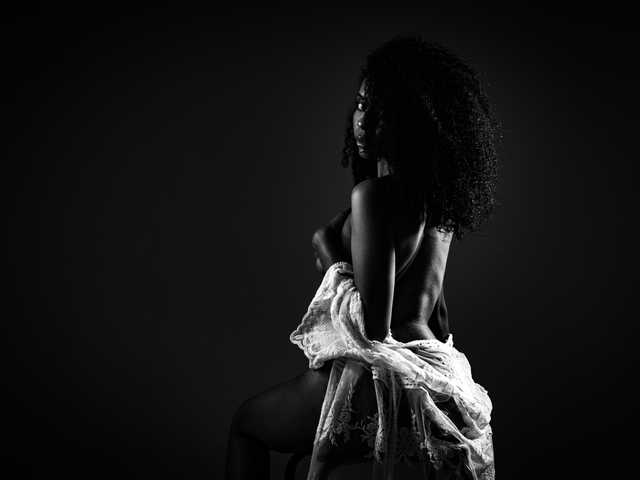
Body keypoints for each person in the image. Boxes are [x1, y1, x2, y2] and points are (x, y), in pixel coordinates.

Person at [225, 34, 499, 480]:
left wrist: (329, 252)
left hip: (374, 379)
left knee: (245, 424)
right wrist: (434, 386)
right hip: (439, 379)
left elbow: (374, 326)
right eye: (360, 105)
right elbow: (439, 317)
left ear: (411, 120)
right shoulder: (439, 206)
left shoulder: (372, 195)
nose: (363, 121)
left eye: (380, 110)